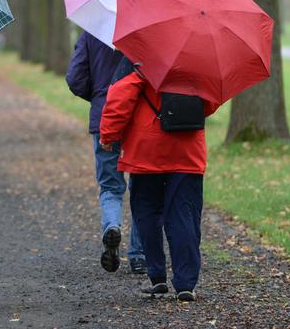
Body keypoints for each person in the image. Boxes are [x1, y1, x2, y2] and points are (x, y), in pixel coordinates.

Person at [98, 62, 219, 301]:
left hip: (147, 151)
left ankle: (157, 276)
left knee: (147, 212)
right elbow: (210, 102)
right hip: (187, 150)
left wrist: (108, 136)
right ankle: (186, 284)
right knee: (184, 214)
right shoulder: (195, 62)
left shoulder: (139, 61)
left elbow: (119, 100)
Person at [66, 31, 146, 274]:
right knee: (142, 187)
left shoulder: (92, 32)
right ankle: (139, 255)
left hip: (103, 117)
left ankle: (112, 226)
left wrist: (100, 95)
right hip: (138, 119)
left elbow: (75, 78)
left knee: (110, 186)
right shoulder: (142, 31)